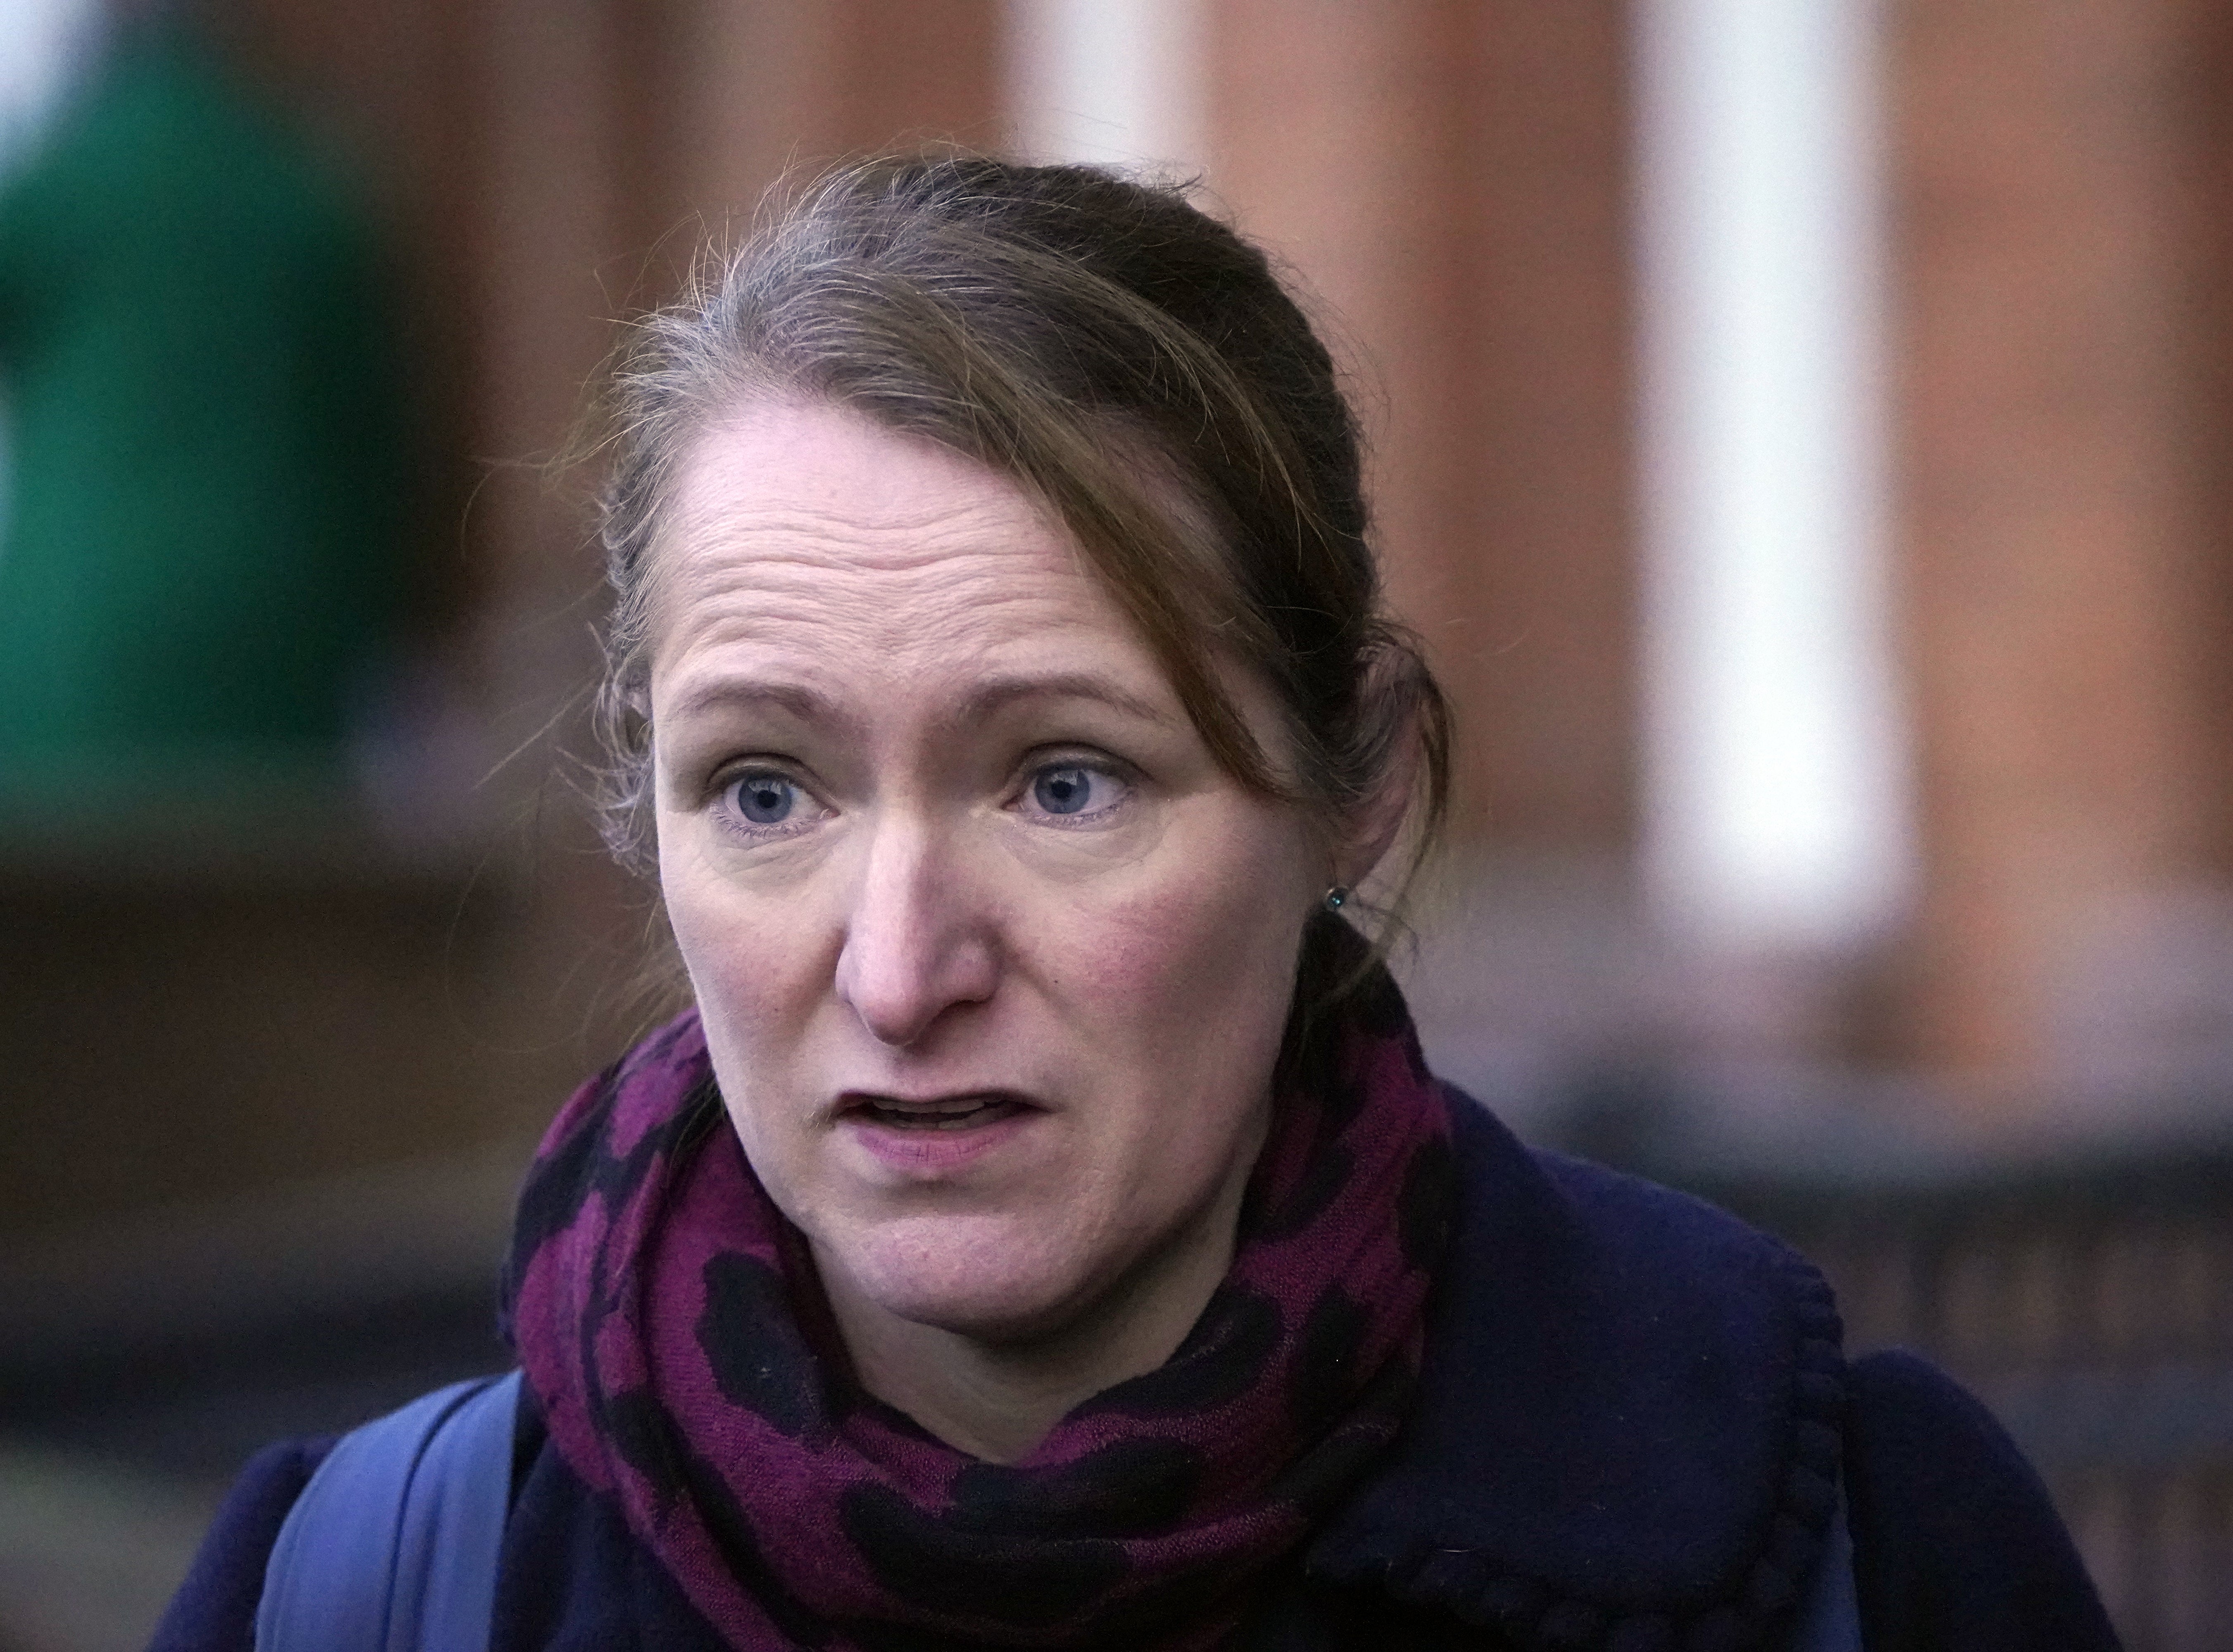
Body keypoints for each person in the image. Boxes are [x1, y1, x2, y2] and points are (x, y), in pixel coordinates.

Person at [150, 155, 2119, 1652]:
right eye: (768, 789)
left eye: (1064, 781)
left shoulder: (1863, 1549)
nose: (904, 968)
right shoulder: (363, 1593)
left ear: (1358, 795)